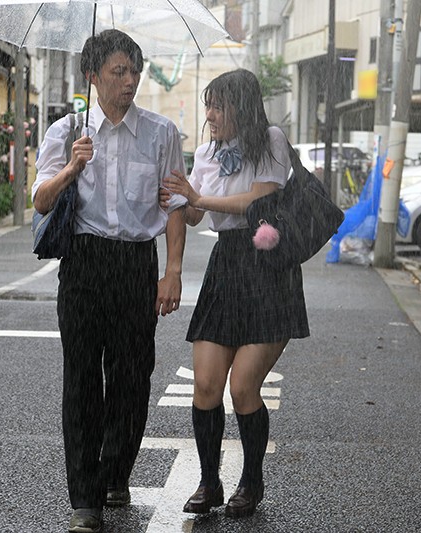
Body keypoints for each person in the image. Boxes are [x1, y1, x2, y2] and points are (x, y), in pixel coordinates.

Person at [32, 29, 187, 533]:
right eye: (118, 71)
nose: (129, 81)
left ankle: (115, 471)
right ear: (92, 76)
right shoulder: (66, 132)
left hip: (136, 263)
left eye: (134, 71)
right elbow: (41, 200)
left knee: (132, 377)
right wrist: (71, 167)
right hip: (84, 261)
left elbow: (176, 206)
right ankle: (85, 499)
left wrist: (172, 271)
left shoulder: (161, 133)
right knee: (81, 379)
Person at [161, 69, 310, 518]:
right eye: (208, 105)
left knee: (243, 386)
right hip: (225, 264)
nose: (210, 115)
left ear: (241, 108)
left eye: (218, 106)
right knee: (206, 383)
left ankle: (251, 480)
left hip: (267, 266)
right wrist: (175, 196)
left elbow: (256, 201)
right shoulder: (207, 152)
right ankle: (209, 482)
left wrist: (199, 199)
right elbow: (195, 214)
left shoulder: (271, 141)